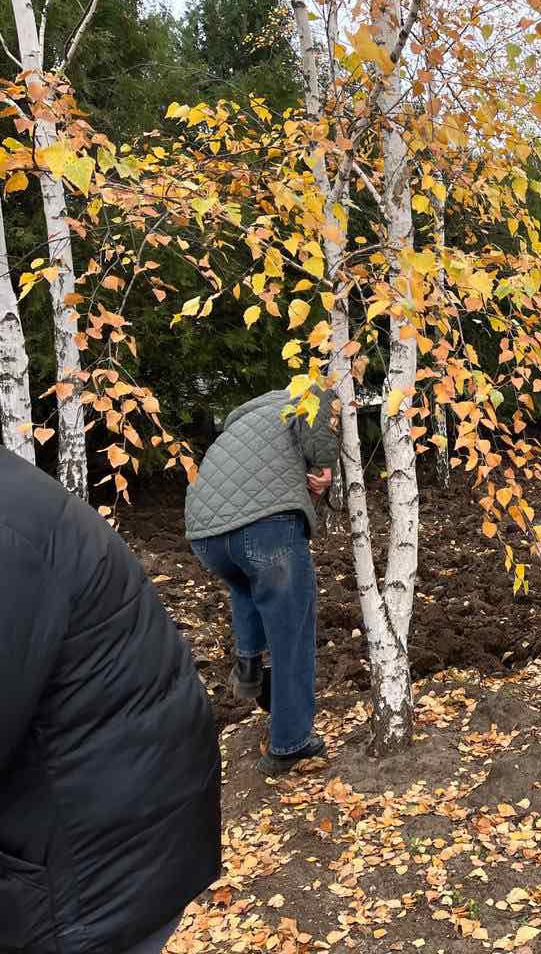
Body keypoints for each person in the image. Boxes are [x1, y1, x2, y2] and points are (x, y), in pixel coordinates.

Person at [0, 447, 221, 954]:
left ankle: (283, 724)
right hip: (109, 822)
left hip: (94, 866)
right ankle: (275, 710)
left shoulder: (9, 533)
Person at [186, 386, 338, 775]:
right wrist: (323, 471)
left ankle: (251, 668)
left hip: (206, 535)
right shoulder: (309, 395)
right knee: (293, 633)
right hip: (266, 527)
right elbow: (318, 432)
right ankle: (290, 743)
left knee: (246, 584)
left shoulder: (242, 420)